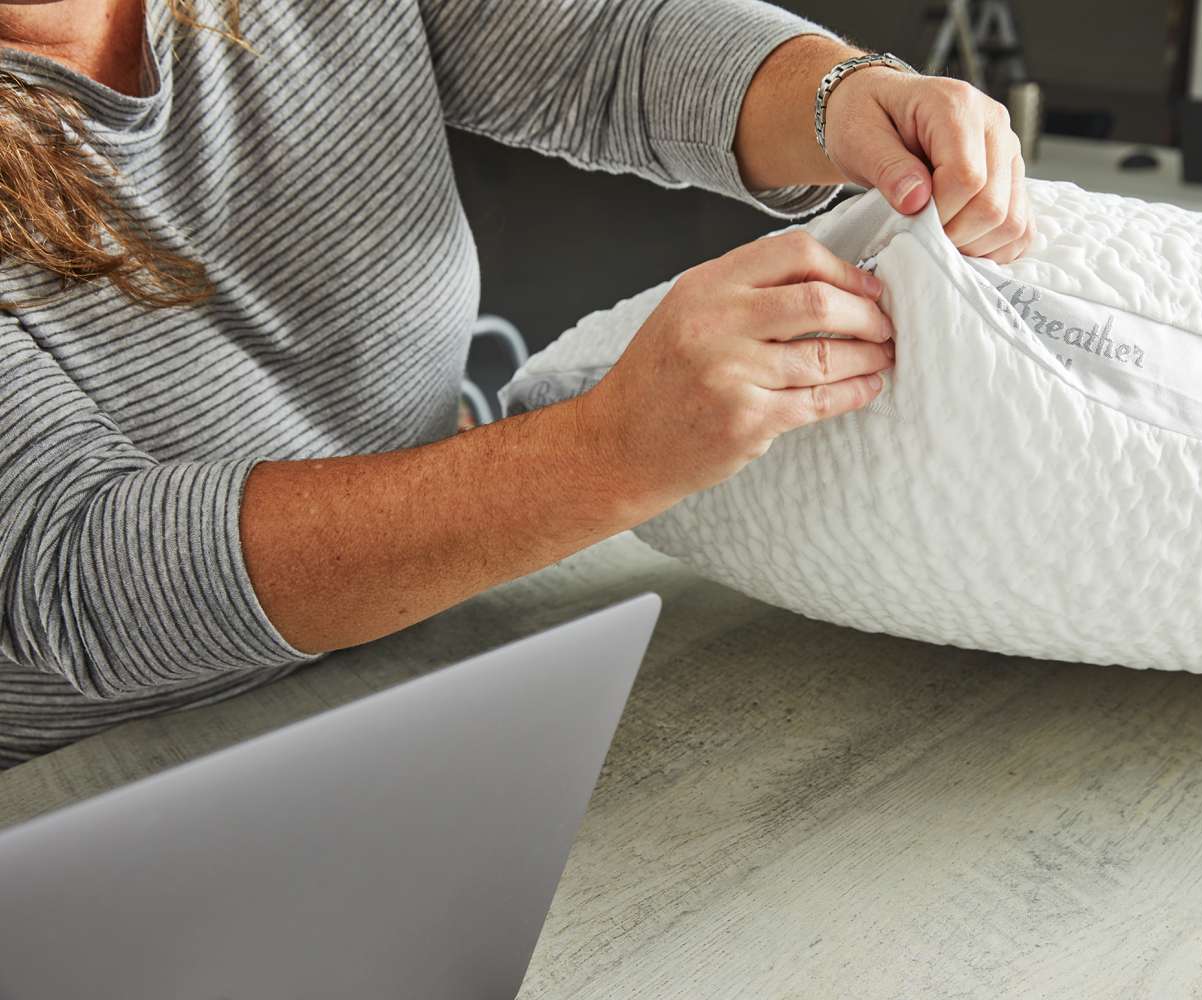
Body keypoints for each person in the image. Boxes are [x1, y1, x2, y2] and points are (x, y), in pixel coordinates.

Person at [0, 0, 1034, 768]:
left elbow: (606, 45)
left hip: (423, 650)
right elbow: (78, 567)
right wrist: (609, 451)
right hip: (89, 789)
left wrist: (846, 97)